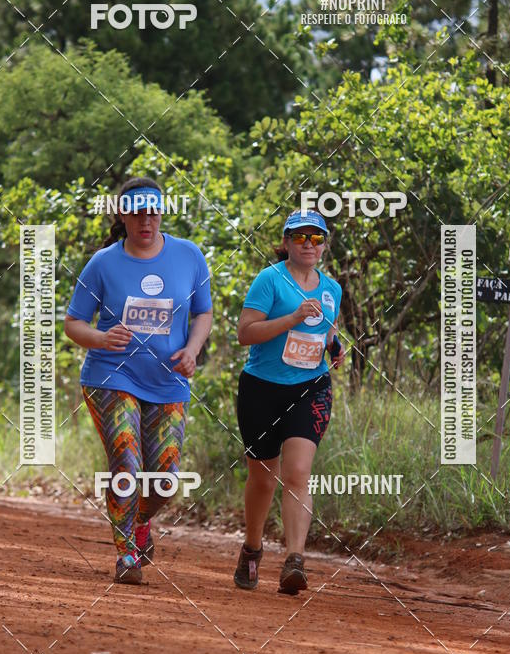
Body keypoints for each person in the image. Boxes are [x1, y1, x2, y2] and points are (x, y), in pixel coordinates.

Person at [64, 177, 212, 585]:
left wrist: (193, 350)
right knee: (127, 462)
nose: (145, 220)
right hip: (112, 376)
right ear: (122, 216)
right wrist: (100, 338)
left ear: (161, 212)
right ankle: (126, 553)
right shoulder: (103, 263)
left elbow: (204, 313)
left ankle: (139, 522)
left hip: (168, 381)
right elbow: (73, 323)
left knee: (164, 478)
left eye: (152, 211)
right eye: (136, 213)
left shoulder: (189, 256)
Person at [234, 209, 346, 595]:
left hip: (310, 388)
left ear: (324, 244)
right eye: (301, 237)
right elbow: (245, 334)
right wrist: (293, 316)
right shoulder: (270, 280)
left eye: (317, 238)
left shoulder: (332, 288)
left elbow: (328, 331)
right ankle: (252, 547)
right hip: (261, 388)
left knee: (298, 472)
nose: (309, 245)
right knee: (263, 477)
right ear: (286, 242)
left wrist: (334, 345)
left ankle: (295, 560)